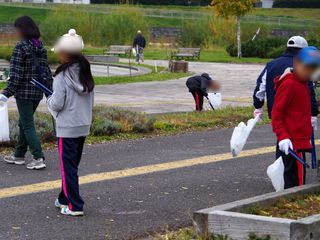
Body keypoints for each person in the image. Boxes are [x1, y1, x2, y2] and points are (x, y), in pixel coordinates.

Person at [47, 29, 94, 216]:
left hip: (67, 127)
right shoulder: (85, 71)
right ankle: (63, 198)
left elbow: (57, 103)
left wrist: (48, 101)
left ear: (65, 53)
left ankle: (75, 206)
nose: (58, 54)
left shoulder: (61, 75)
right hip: (83, 124)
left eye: (59, 51)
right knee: (71, 165)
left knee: (68, 168)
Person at [252, 36, 319, 158]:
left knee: (283, 142)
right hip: (296, 117)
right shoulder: (303, 66)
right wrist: (313, 114)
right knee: (294, 150)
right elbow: (310, 93)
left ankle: (282, 171)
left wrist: (258, 106)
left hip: (277, 113)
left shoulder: (271, 64)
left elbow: (260, 87)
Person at [0, 16, 52, 170]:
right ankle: (19, 155)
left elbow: (16, 74)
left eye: (17, 29)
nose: (16, 32)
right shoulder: (40, 46)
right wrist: (50, 92)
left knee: (27, 124)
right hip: (37, 92)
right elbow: (46, 72)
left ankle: (38, 157)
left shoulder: (20, 47)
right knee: (24, 122)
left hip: (23, 93)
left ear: (22, 29)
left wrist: (6, 93)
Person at [272, 46, 320, 189]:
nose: (313, 73)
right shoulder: (289, 84)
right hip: (290, 143)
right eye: (310, 68)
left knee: (296, 179)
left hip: (298, 141)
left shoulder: (303, 82)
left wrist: (310, 118)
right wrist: (282, 136)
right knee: (294, 184)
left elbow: (298, 109)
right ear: (298, 64)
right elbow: (277, 113)